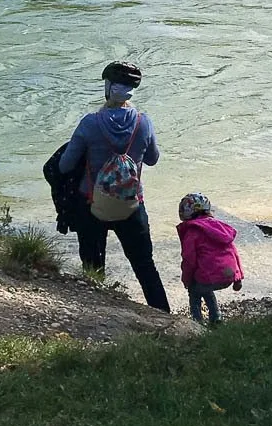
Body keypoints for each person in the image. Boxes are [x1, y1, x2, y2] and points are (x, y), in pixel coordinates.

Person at [59, 61, 170, 312]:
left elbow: (65, 166)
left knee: (93, 268)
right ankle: (165, 317)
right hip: (132, 206)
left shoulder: (89, 123)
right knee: (145, 266)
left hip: (92, 205)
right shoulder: (144, 122)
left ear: (108, 88)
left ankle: (95, 316)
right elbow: (152, 159)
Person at [176, 192, 244, 324]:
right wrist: (238, 277)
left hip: (209, 277)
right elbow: (233, 253)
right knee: (205, 286)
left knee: (195, 290)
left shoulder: (192, 232)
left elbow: (189, 260)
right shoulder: (221, 228)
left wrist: (186, 279)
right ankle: (216, 317)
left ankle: (197, 321)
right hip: (229, 275)